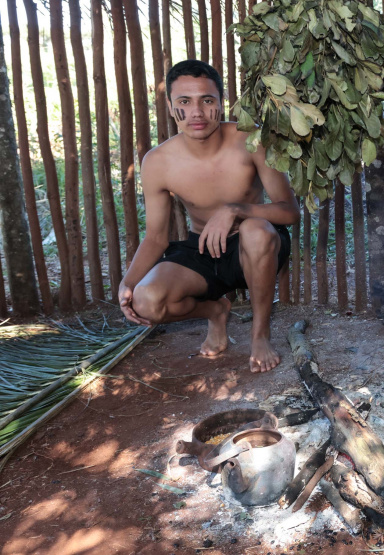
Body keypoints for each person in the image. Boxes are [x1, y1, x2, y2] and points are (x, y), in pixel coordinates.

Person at [118, 60, 299, 373]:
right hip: (201, 249)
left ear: (221, 101)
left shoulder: (251, 141)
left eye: (207, 100)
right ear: (171, 106)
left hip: (255, 249)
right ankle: (216, 311)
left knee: (256, 230)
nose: (197, 113)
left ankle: (260, 335)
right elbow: (156, 237)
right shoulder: (158, 162)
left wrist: (236, 210)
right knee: (146, 301)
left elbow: (289, 212)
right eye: (185, 102)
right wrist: (128, 283)